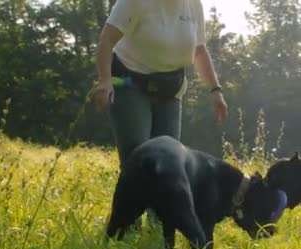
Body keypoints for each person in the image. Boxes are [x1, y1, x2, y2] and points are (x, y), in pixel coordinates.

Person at [93, 0, 228, 167]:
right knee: (138, 159)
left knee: (169, 160)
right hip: (130, 82)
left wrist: (215, 90)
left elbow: (199, 51)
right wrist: (105, 80)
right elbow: (106, 40)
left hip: (170, 88)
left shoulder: (194, 4)